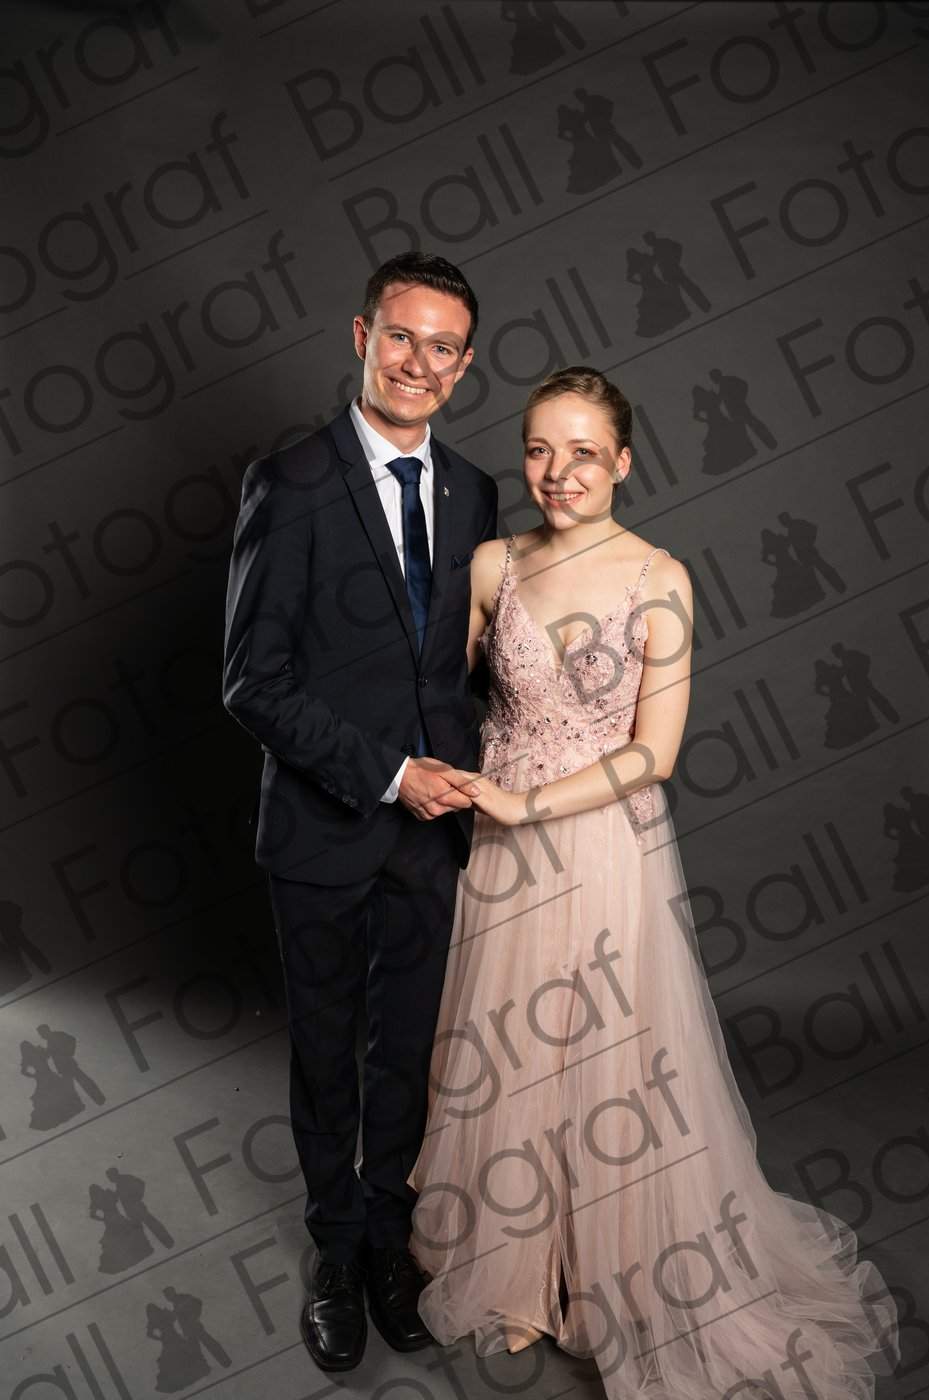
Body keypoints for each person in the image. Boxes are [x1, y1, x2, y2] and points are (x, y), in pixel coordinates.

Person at [407, 367, 900, 1399]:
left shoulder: (659, 577)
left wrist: (525, 803)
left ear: (623, 462)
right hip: (499, 850)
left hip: (598, 844)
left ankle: (612, 1270)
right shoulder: (494, 563)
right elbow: (434, 695)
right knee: (512, 1049)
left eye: (584, 452)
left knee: (606, 1056)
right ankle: (517, 1271)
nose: (559, 472)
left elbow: (654, 752)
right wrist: (439, 778)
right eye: (540, 449)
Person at [221, 252, 498, 1373]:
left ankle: (390, 1236)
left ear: (463, 365)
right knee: (327, 1051)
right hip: (325, 826)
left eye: (443, 346)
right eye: (401, 336)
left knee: (408, 1050)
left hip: (433, 837)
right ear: (361, 337)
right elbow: (252, 681)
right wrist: (388, 774)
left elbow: (463, 668)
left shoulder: (474, 490)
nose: (418, 362)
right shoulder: (289, 483)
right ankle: (334, 1249)